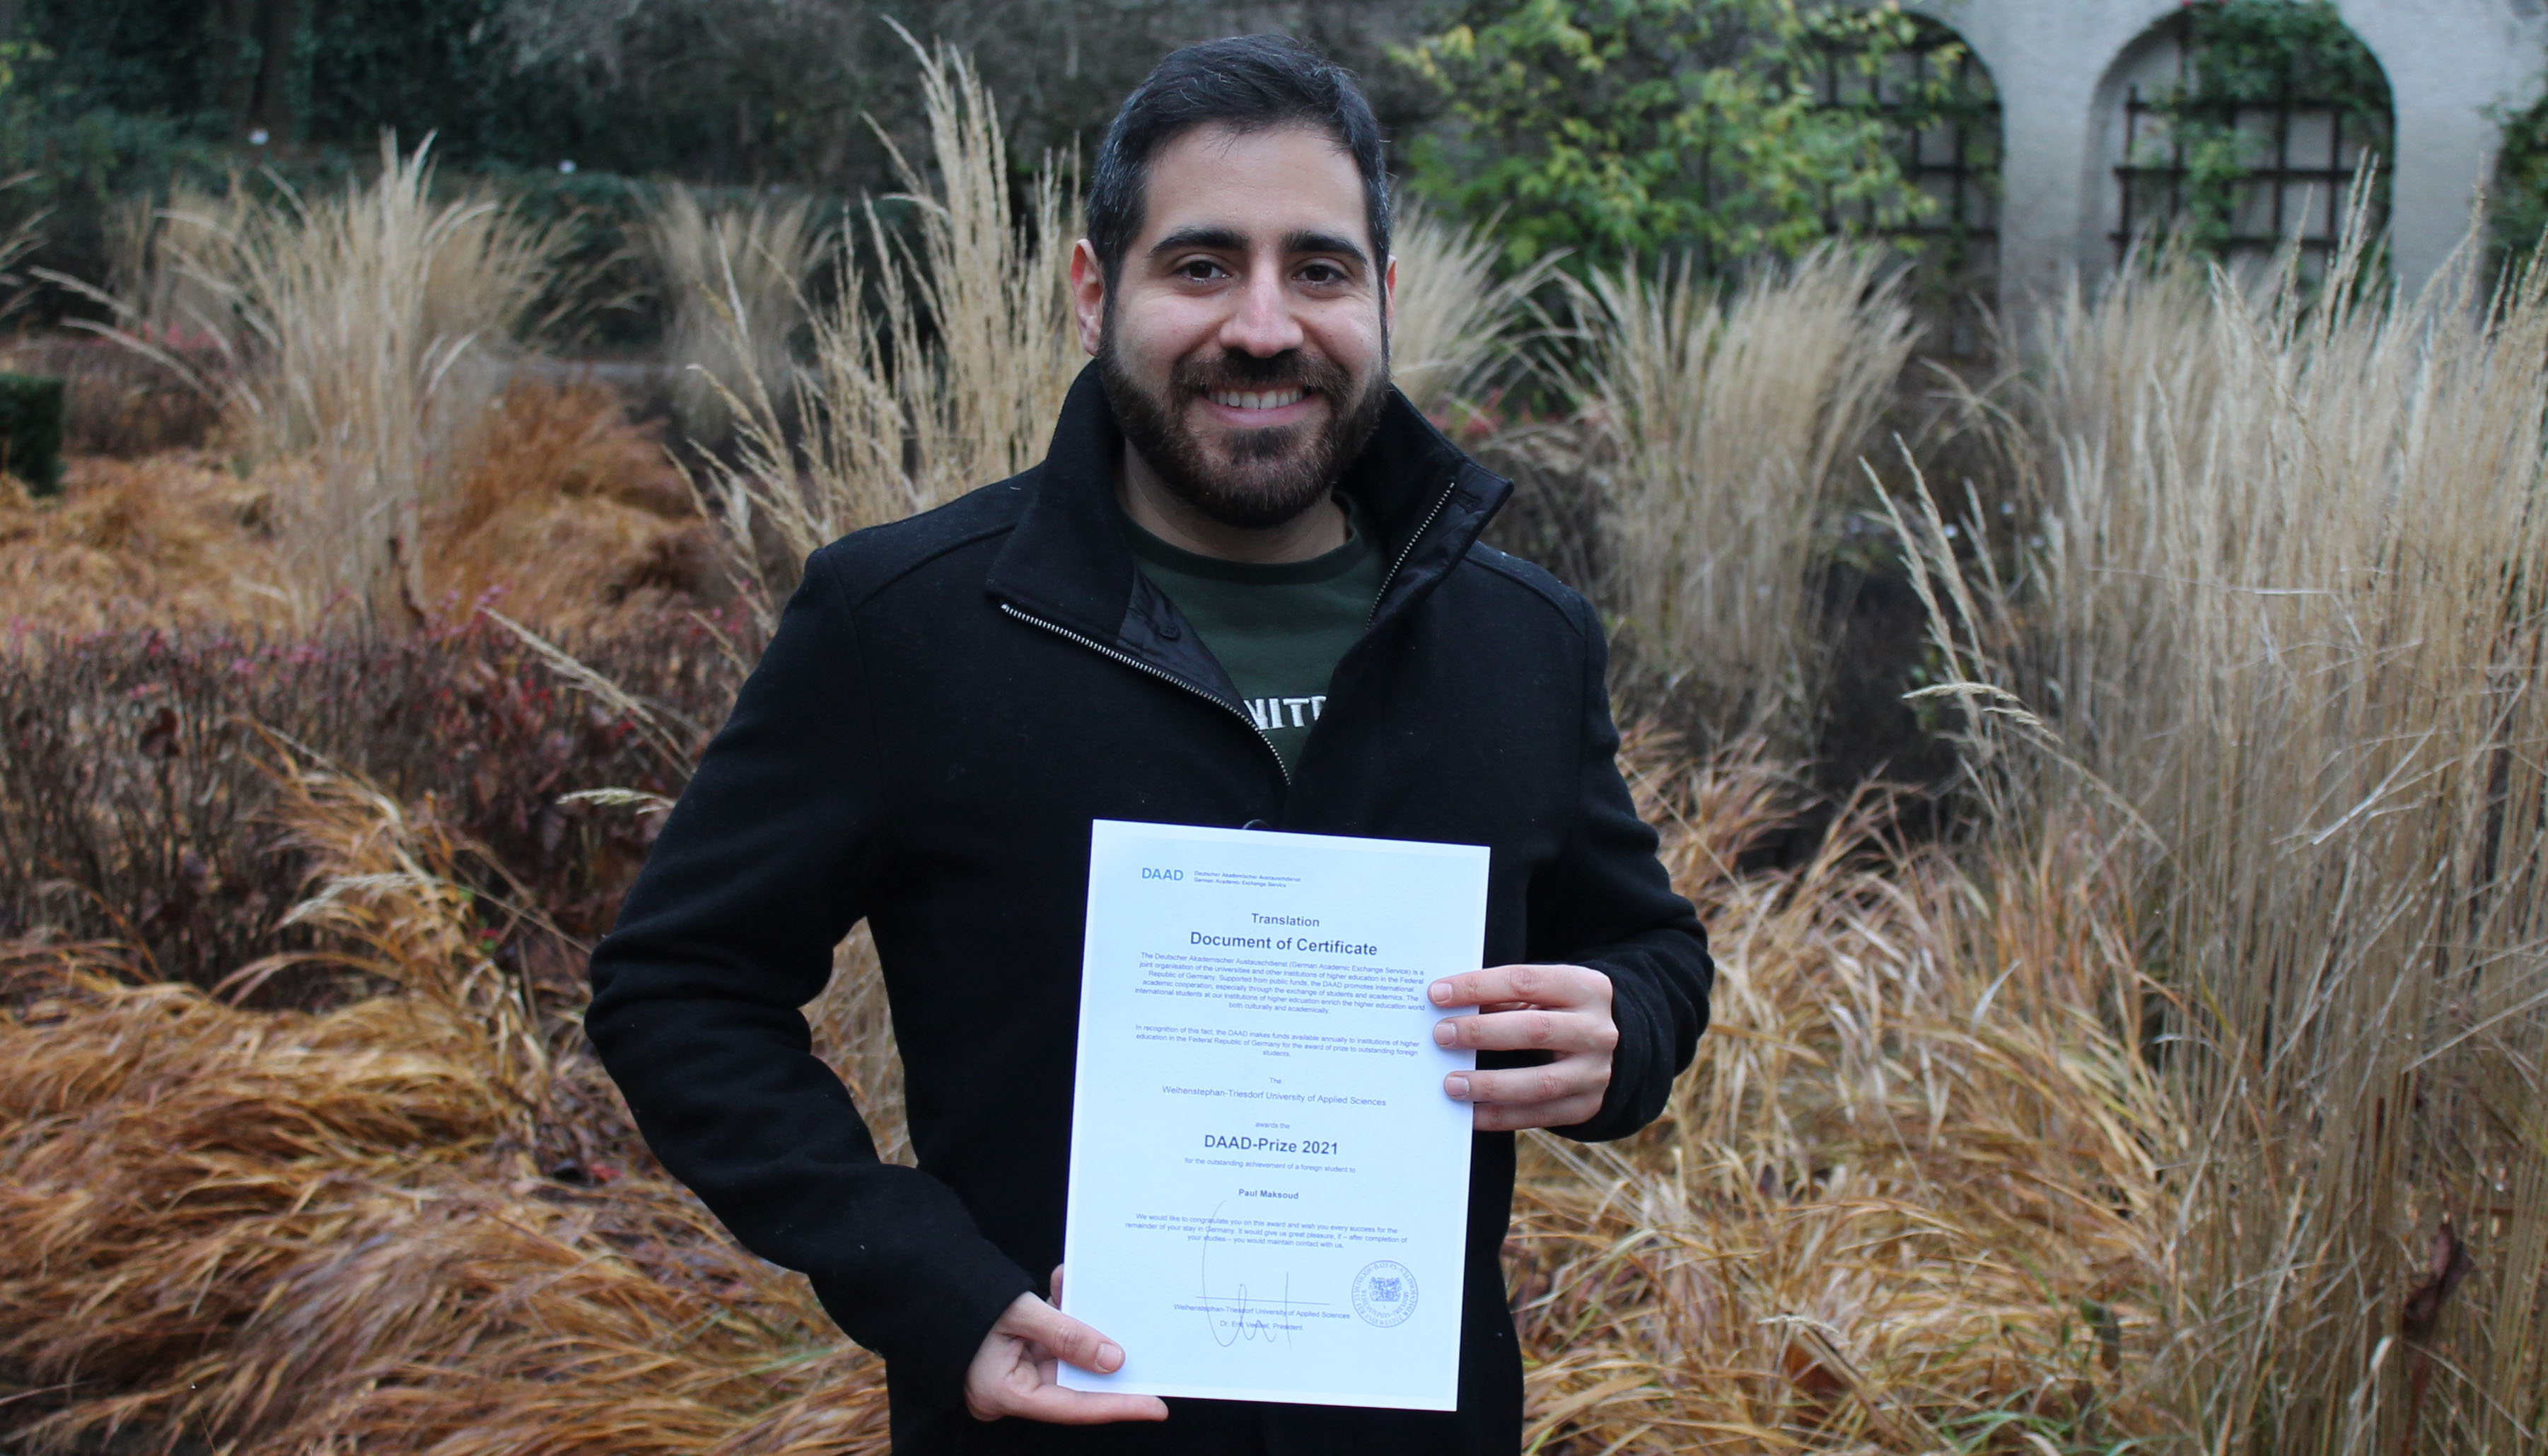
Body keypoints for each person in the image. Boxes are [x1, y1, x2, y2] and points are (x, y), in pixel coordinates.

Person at [588, 33, 1713, 1456]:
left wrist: (1624, 1031)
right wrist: (929, 1282)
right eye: (1198, 266)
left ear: (1381, 293)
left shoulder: (1517, 639)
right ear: (1089, 291)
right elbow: (676, 985)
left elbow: (1652, 950)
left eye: (1316, 268)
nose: (1261, 323)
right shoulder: (907, 624)